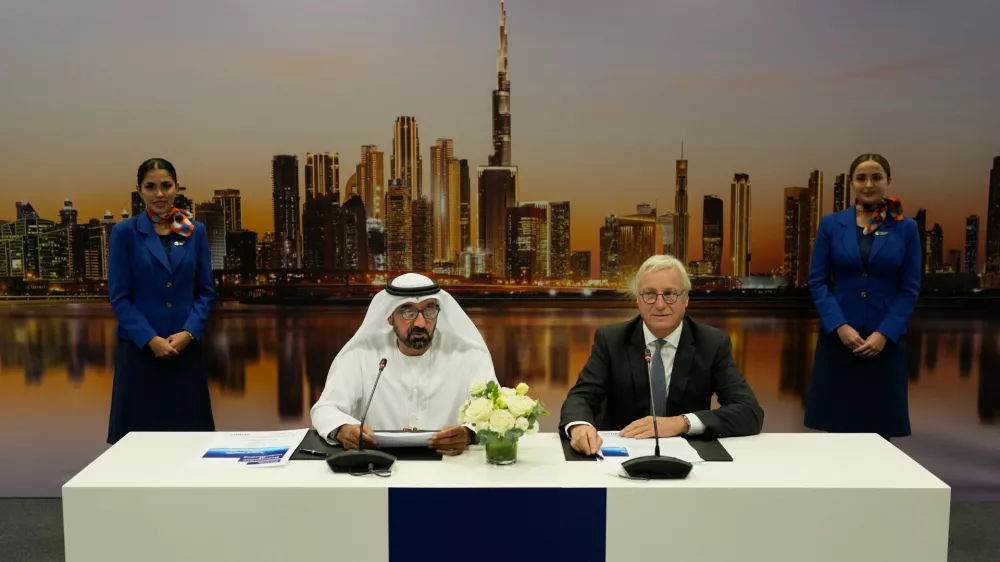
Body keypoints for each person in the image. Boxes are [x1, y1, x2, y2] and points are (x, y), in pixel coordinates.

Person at [560, 255, 764, 455]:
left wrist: (682, 423)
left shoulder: (711, 343)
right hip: (620, 453)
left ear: (686, 298)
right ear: (638, 300)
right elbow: (581, 397)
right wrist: (579, 426)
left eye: (670, 293)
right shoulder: (611, 340)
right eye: (649, 294)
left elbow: (749, 411)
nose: (659, 304)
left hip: (687, 458)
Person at [310, 273, 498, 456]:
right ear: (390, 316)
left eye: (429, 310)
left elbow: (496, 411)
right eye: (408, 312)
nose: (420, 323)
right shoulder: (360, 354)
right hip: (377, 465)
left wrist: (468, 434)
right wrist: (342, 429)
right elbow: (325, 409)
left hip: (451, 465)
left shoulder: (470, 355)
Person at [805, 153, 921, 440]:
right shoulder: (831, 225)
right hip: (839, 342)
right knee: (836, 433)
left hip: (885, 345)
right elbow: (818, 282)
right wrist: (840, 327)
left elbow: (909, 288)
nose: (868, 184)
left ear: (888, 181)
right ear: (852, 183)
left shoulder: (906, 227)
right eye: (861, 178)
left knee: (881, 436)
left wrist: (884, 334)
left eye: (876, 177)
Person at [107, 158, 216, 445]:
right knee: (139, 445)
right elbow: (119, 297)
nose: (159, 194)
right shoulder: (124, 233)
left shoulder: (194, 231)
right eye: (150, 187)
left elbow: (205, 292)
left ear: (177, 187)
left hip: (185, 350)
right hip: (140, 353)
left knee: (190, 443)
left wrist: (189, 333)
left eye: (166, 186)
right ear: (139, 190)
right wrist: (150, 339)